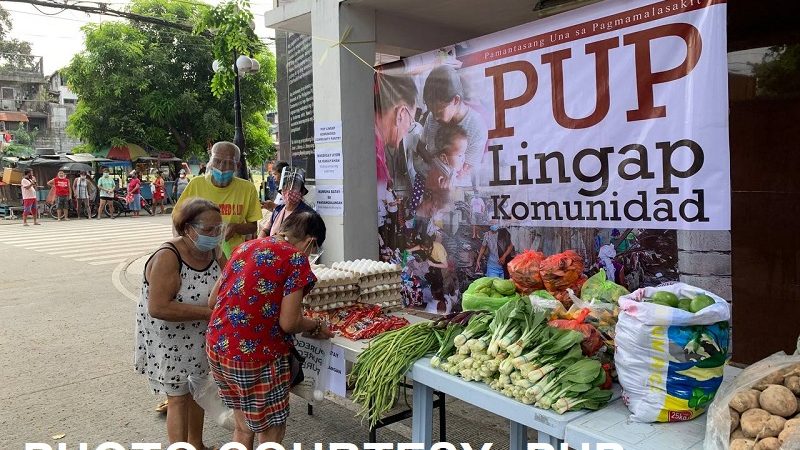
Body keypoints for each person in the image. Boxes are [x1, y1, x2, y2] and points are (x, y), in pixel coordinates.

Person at [206, 211, 333, 448]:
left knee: (243, 428)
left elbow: (214, 301)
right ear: (310, 241)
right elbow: (290, 322)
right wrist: (315, 324)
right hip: (256, 357)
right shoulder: (296, 259)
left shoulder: (245, 247)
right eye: (313, 250)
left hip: (218, 347)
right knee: (270, 432)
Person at [135, 198, 226, 449]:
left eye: (219, 228)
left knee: (198, 390)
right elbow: (158, 307)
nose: (215, 234)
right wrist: (207, 314)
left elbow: (228, 281)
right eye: (208, 229)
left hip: (200, 337)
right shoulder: (168, 256)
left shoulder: (215, 251)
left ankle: (197, 444)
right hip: (169, 339)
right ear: (187, 228)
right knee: (178, 397)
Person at [174, 142, 261, 258]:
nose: (221, 167)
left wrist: (235, 227)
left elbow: (253, 226)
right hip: (198, 253)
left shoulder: (247, 188)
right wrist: (182, 248)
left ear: (237, 166)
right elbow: (177, 219)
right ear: (210, 162)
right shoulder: (196, 184)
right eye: (217, 161)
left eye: (228, 163)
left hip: (233, 255)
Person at [421, 64, 488, 179]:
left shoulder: (476, 126)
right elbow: (421, 147)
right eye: (431, 110)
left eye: (439, 111)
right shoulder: (432, 117)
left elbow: (465, 174)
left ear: (456, 100)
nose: (435, 117)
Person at [259, 167, 315, 239]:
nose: (289, 191)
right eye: (286, 187)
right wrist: (260, 240)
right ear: (281, 191)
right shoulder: (278, 210)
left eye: (294, 187)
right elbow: (266, 230)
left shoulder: (308, 215)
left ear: (302, 192)